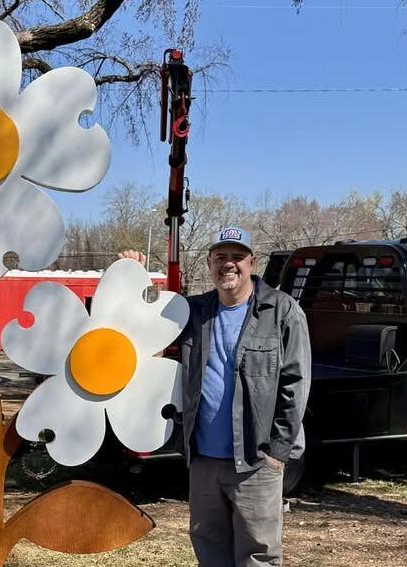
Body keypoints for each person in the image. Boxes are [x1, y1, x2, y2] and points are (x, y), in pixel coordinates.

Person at [122, 227, 310, 567]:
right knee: (209, 551)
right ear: (209, 264)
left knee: (258, 556)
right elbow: (144, 327)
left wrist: (279, 452)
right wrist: (133, 276)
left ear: (252, 263)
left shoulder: (283, 311)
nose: (229, 265)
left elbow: (296, 384)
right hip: (204, 462)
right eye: (220, 258)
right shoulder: (194, 312)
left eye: (237, 257)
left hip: (256, 462)